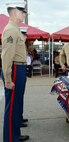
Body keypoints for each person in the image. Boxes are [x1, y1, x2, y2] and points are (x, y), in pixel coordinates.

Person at [1, 1, 29, 142]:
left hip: (19, 68)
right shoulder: (11, 29)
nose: (24, 14)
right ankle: (10, 139)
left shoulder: (15, 29)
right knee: (12, 107)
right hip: (15, 70)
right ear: (14, 12)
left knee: (16, 105)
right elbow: (6, 56)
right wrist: (8, 79)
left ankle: (15, 135)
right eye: (22, 11)